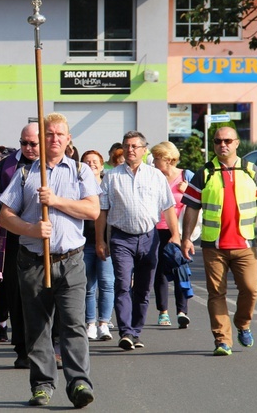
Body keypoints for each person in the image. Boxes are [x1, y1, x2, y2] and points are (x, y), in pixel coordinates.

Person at [0, 113, 98, 408]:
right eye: (49, 134)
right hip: (32, 261)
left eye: (60, 134)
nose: (54, 139)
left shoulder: (80, 171)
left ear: (68, 139)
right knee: (38, 326)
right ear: (42, 140)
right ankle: (42, 384)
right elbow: (5, 216)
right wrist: (31, 228)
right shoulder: (26, 174)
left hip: (71, 261)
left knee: (73, 324)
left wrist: (56, 202)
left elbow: (92, 211)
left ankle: (79, 382)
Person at [181, 126, 257, 356]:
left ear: (236, 143)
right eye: (217, 141)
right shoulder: (204, 173)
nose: (222, 145)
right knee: (216, 294)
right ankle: (222, 340)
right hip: (214, 246)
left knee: (251, 289)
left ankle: (242, 324)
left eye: (227, 141)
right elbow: (192, 208)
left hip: (244, 244)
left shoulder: (252, 171)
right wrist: (186, 238)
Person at [96, 131, 180, 351]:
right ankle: (125, 332)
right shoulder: (112, 176)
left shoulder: (156, 176)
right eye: (127, 146)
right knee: (123, 285)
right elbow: (102, 212)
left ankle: (135, 331)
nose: (130, 150)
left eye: (135, 146)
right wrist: (100, 241)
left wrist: (176, 235)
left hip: (149, 238)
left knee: (143, 290)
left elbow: (168, 208)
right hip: (121, 238)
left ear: (144, 150)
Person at [0, 122, 39, 368]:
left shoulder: (55, 165)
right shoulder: (7, 165)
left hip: (49, 237)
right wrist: (14, 200)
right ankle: (23, 348)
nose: (27, 148)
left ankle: (51, 344)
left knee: (46, 293)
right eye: (23, 143)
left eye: (33, 144)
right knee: (17, 293)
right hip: (15, 237)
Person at [151, 141, 193, 329]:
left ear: (168, 159)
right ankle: (163, 312)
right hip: (156, 229)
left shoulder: (186, 176)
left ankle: (182, 311)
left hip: (179, 230)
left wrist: (187, 192)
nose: (153, 162)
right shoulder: (153, 177)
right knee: (159, 271)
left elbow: (198, 200)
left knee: (179, 268)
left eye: (157, 158)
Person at [80, 150, 114, 341]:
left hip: (107, 243)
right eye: (86, 162)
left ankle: (104, 323)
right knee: (87, 285)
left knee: (107, 283)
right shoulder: (78, 187)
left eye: (95, 161)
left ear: (102, 166)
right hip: (84, 242)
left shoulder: (108, 186)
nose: (91, 164)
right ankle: (90, 323)